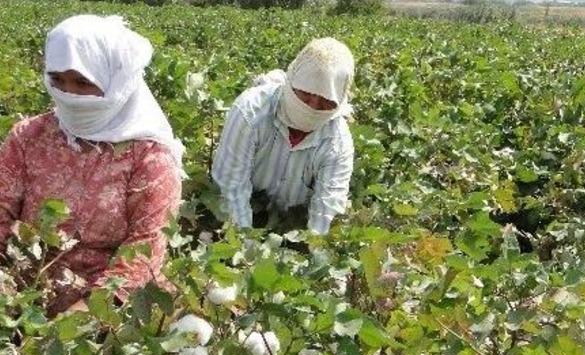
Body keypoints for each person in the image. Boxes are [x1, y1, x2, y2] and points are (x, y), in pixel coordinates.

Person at [0, 15, 183, 316]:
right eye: (57, 80)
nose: (69, 94)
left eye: (83, 82)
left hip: (108, 309)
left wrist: (68, 327)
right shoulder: (29, 137)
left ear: (116, 81)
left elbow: (142, 255)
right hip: (21, 292)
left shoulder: (149, 158)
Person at [212, 38, 355, 235]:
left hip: (293, 228)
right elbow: (231, 188)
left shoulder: (337, 141)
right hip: (243, 213)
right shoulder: (251, 112)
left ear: (339, 101)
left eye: (325, 101)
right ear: (292, 81)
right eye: (306, 94)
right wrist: (245, 249)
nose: (312, 106)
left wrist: (314, 249)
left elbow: (327, 210)